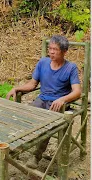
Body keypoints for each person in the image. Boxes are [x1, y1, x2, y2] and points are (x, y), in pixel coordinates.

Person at [6, 35, 81, 169]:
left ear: (64, 51)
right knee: (24, 117)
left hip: (58, 104)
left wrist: (62, 99)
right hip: (42, 99)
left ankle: (36, 155)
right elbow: (32, 84)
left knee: (47, 126)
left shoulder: (71, 67)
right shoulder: (42, 62)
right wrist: (16, 88)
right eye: (50, 48)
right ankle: (17, 146)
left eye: (55, 49)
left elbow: (77, 91)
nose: (51, 52)